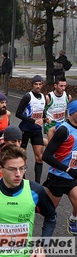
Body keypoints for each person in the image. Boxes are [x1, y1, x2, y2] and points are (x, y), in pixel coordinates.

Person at [42, 99, 77, 236]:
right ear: (73, 113)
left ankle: (73, 219)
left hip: (73, 177)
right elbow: (47, 156)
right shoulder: (64, 130)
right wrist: (67, 169)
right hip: (58, 176)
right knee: (48, 212)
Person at [16, 75, 49, 184]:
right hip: (25, 130)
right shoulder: (27, 97)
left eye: (40, 84)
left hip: (36, 131)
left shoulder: (43, 97)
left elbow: (41, 111)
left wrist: (45, 118)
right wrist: (33, 121)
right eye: (36, 84)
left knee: (39, 157)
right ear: (32, 85)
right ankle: (23, 182)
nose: (38, 86)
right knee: (22, 159)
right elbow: (18, 113)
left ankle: (37, 183)